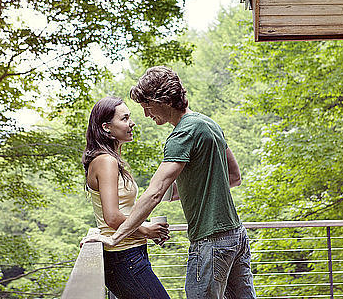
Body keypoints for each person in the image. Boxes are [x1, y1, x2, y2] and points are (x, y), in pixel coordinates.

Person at [84, 67, 256, 299]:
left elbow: (154, 193)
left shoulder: (181, 135)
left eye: (147, 107)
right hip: (236, 236)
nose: (145, 115)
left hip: (210, 242)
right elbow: (234, 177)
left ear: (162, 101)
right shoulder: (208, 124)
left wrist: (115, 237)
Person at [83, 96, 171, 299]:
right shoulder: (105, 161)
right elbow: (112, 217)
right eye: (124, 118)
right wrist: (145, 229)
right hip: (123, 257)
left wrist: (146, 231)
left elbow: (123, 212)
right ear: (106, 127)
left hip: (132, 253)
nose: (131, 123)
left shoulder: (111, 160)